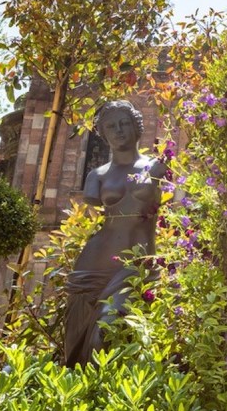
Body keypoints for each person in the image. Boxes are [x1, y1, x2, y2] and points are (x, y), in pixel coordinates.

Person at [64, 100, 165, 367]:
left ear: (136, 127)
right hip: (93, 263)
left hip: (134, 264)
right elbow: (95, 201)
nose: (118, 130)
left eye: (124, 123)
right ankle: (80, 403)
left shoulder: (155, 167)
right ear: (103, 133)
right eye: (110, 126)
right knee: (73, 347)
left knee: (104, 335)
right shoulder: (97, 175)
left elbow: (151, 188)